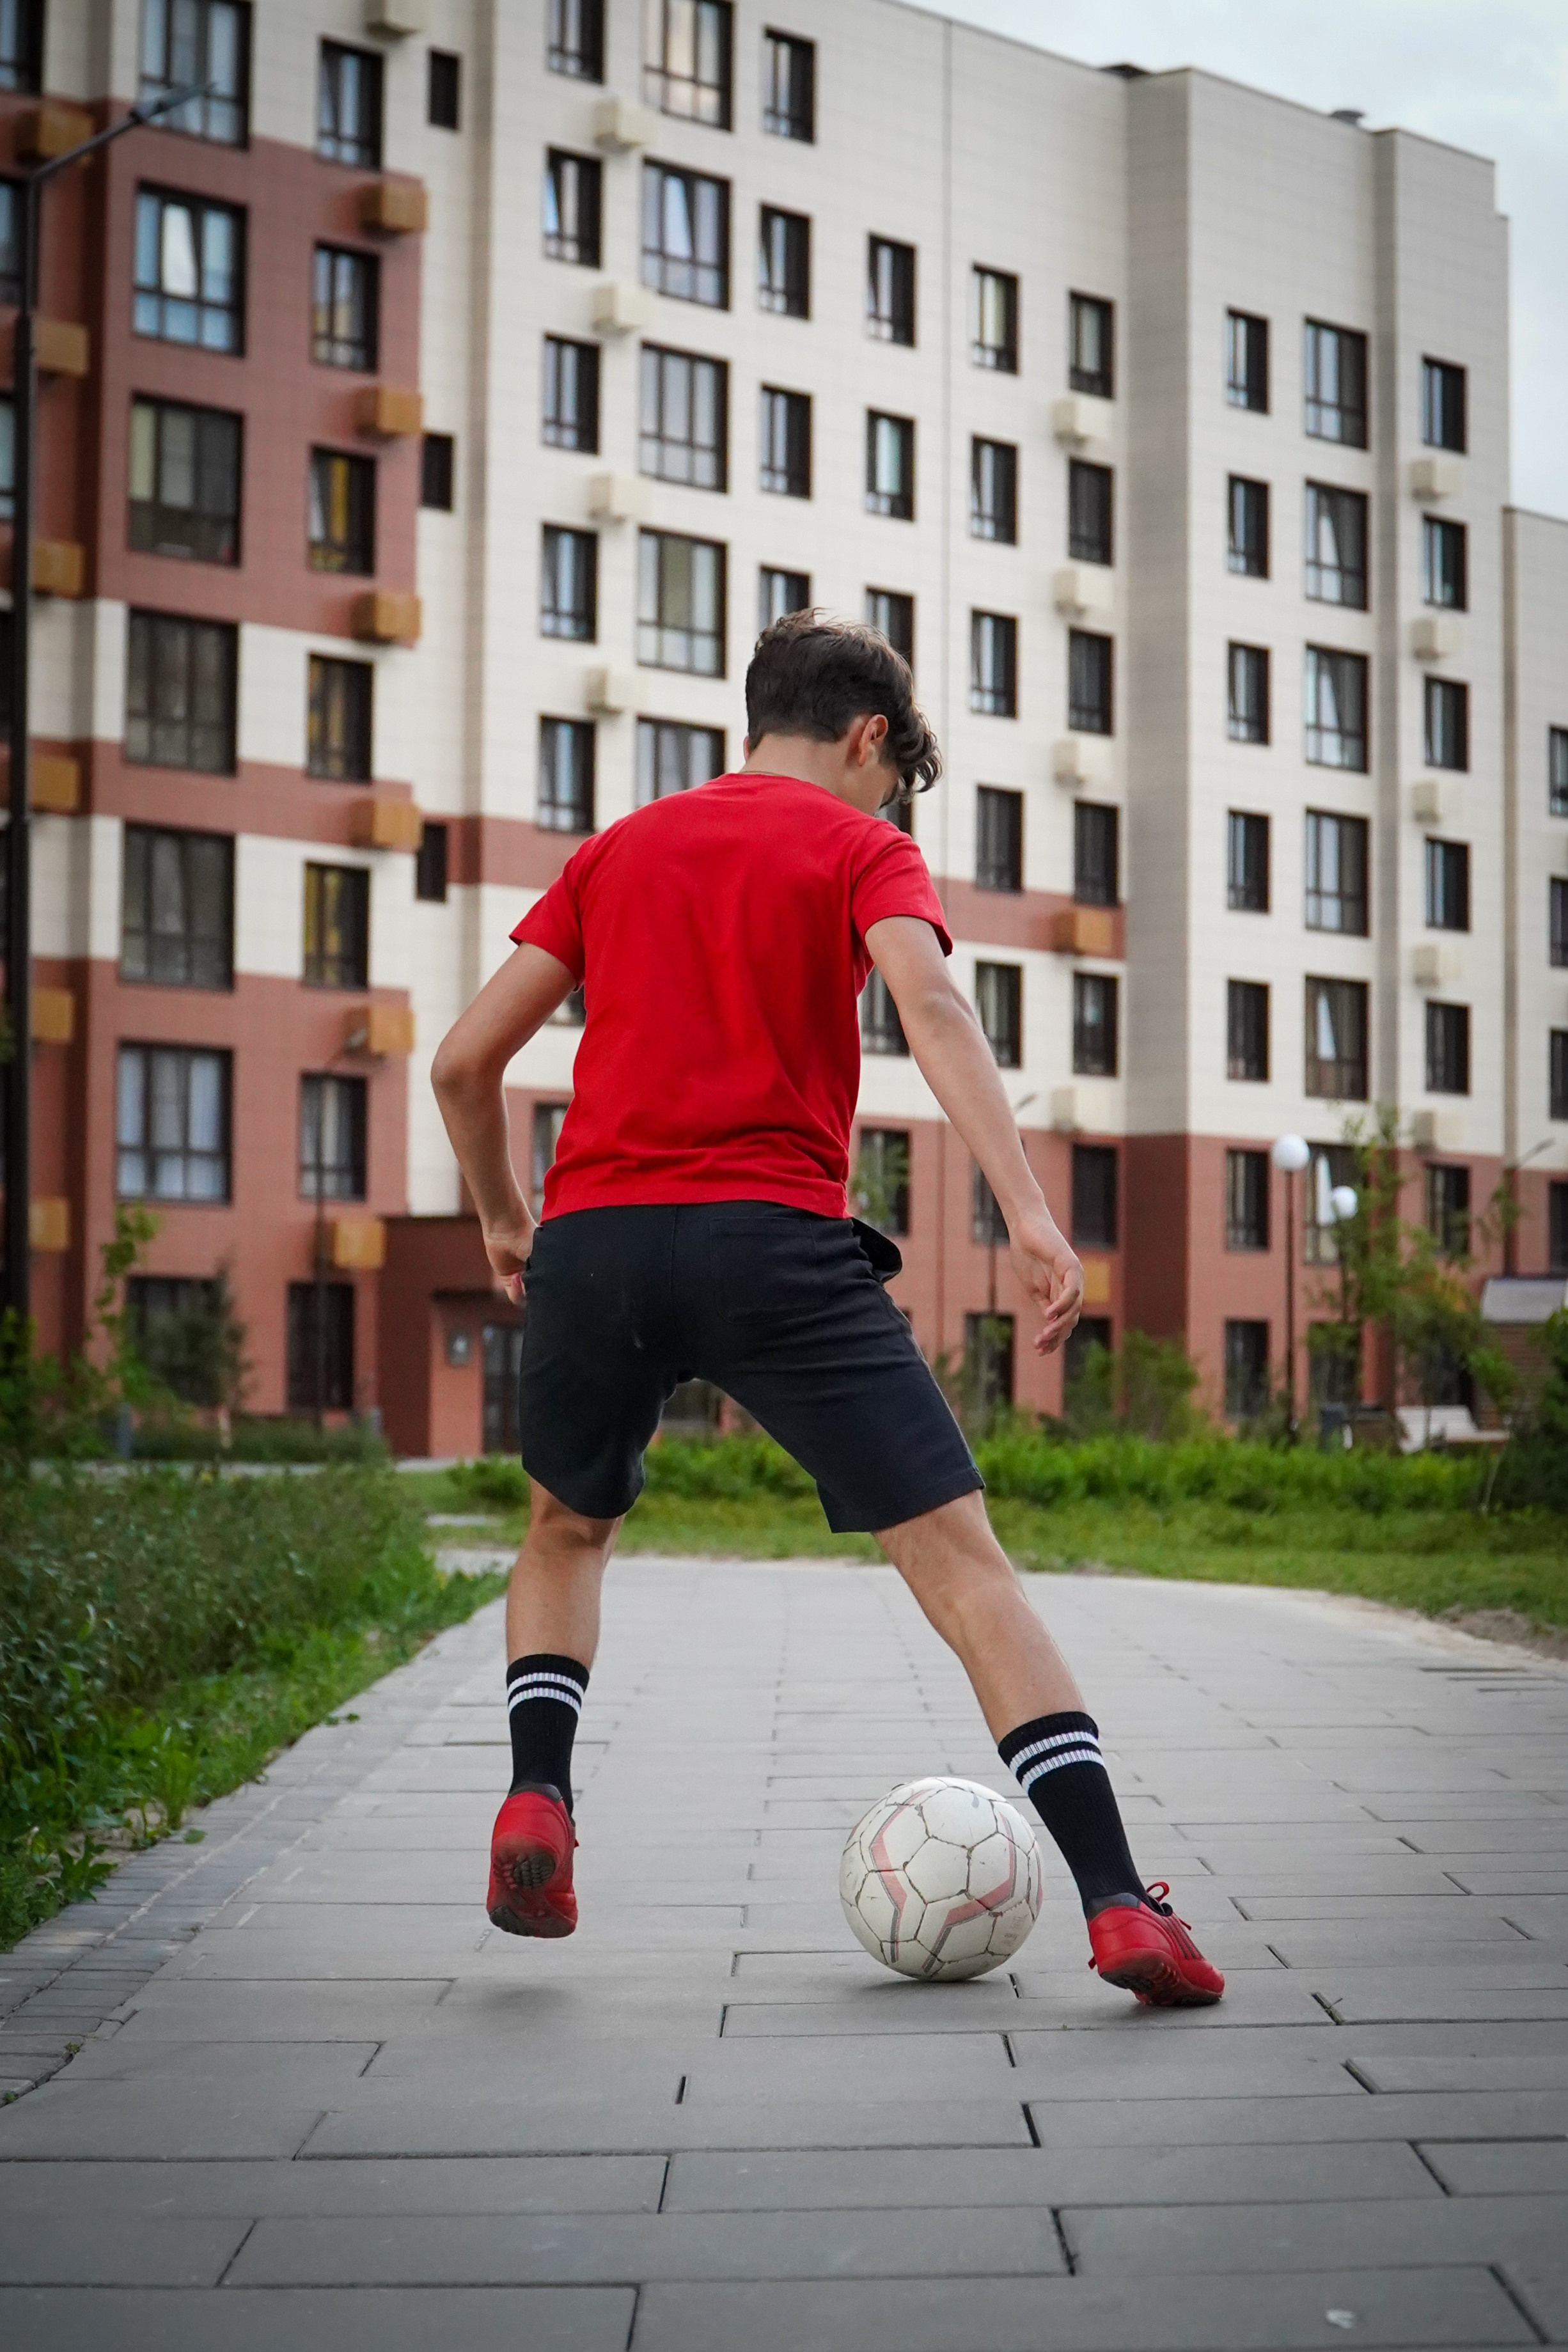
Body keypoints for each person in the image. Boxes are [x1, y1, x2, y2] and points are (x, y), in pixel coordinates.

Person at [431, 612, 1222, 2007]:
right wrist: (1028, 1213)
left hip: (596, 1243)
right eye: (890, 775)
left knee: (566, 1530)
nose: (885, 800)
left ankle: (535, 1806)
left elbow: (461, 1062)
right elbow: (932, 1008)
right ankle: (1115, 1901)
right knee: (963, 1568)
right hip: (769, 1241)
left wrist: (508, 1222)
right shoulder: (863, 846)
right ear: (869, 740)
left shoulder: (616, 850)